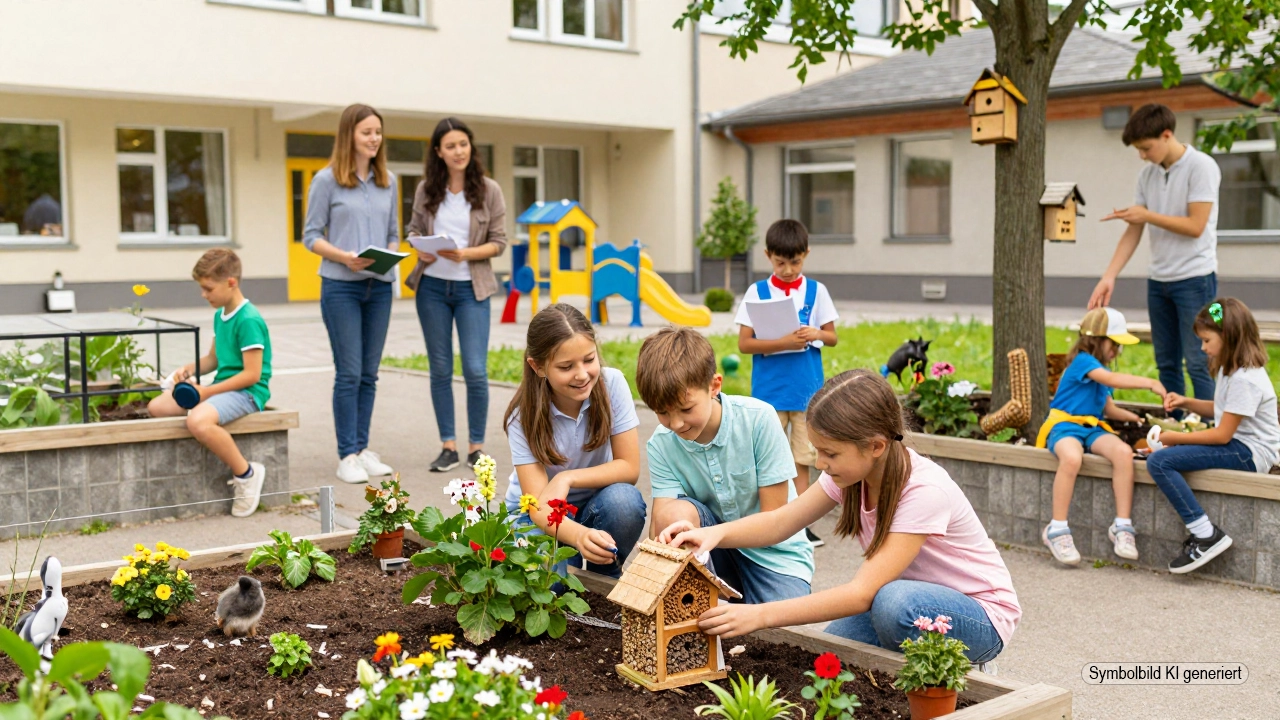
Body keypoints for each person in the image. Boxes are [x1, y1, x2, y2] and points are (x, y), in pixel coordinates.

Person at [659, 369, 1019, 665]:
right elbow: (780, 522)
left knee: (894, 604)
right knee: (822, 665)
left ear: (876, 446)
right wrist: (714, 535)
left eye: (829, 453)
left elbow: (862, 594)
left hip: (979, 616)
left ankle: (958, 666)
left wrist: (759, 615)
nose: (819, 464)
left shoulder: (924, 491)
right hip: (900, 599)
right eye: (817, 451)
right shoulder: (849, 475)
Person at [638, 327, 813, 604]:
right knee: (675, 516)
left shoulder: (758, 420)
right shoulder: (661, 443)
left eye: (685, 409)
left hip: (774, 557)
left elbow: (775, 520)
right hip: (711, 552)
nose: (676, 424)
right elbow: (661, 523)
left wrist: (712, 535)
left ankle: (720, 606)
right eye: (662, 412)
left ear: (714, 386)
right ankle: (705, 603)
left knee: (782, 636)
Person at [1090, 103, 1221, 413]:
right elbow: (1134, 230)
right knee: (1166, 364)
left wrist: (1147, 214)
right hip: (1158, 281)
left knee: (1200, 361)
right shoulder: (1147, 176)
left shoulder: (1201, 167)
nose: (1142, 155)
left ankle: (1211, 429)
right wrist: (1109, 276)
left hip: (1196, 280)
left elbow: (1195, 225)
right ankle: (1177, 425)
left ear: (1166, 135)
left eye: (1146, 148)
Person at [502, 304, 647, 578]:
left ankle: (604, 577)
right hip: (537, 514)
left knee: (625, 503)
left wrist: (566, 479)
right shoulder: (523, 414)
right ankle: (565, 577)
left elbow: (629, 467)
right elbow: (537, 507)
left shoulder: (612, 384)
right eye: (566, 367)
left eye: (589, 360)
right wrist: (578, 535)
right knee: (548, 581)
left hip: (595, 503)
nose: (582, 374)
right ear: (538, 366)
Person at [303, 103, 399, 485]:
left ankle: (362, 449)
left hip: (380, 286)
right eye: (366, 132)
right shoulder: (326, 180)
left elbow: (394, 231)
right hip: (341, 285)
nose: (374, 138)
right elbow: (311, 235)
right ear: (349, 136)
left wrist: (389, 253)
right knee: (349, 373)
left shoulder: (387, 181)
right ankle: (347, 455)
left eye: (378, 132)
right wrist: (345, 257)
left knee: (369, 374)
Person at [405, 117, 508, 472]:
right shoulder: (426, 190)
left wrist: (465, 253)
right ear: (439, 152)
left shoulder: (489, 190)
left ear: (470, 147)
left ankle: (476, 447)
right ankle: (448, 446)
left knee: (476, 370)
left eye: (463, 144)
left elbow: (499, 243)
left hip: (471, 289)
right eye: (450, 146)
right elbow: (414, 229)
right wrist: (419, 246)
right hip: (431, 287)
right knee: (440, 368)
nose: (458, 151)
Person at [1148, 298, 1279, 574]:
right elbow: (1223, 411)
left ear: (1228, 337)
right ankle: (1205, 534)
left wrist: (1175, 437)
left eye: (1207, 340)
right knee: (1162, 458)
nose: (1203, 347)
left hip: (1251, 453)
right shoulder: (1230, 368)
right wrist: (1186, 402)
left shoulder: (1246, 378)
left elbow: (1221, 435)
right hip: (1239, 446)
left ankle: (1206, 535)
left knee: (1160, 462)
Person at [1035, 307, 1167, 566]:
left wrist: (1136, 419)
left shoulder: (1099, 369)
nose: (1116, 351)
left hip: (1092, 427)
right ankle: (1057, 528)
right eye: (1114, 344)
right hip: (1064, 425)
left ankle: (1122, 525)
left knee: (1123, 453)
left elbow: (1107, 408)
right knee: (1072, 458)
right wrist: (1149, 383)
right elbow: (1110, 378)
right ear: (1096, 340)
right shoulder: (1084, 361)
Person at [736, 219, 838, 548]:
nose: (789, 269)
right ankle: (767, 520)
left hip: (807, 392)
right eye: (781, 262)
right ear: (768, 256)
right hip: (769, 392)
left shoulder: (817, 291)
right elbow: (745, 344)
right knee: (767, 457)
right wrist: (782, 342)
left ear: (806, 254)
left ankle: (799, 523)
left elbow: (832, 336)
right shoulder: (757, 292)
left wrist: (816, 334)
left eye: (796, 261)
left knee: (803, 459)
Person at [147, 249, 270, 518]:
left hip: (248, 392)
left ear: (231, 282)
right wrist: (188, 369)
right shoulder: (221, 314)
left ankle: (247, 474)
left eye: (208, 288)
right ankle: (206, 416)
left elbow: (252, 375)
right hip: (224, 387)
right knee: (158, 406)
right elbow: (214, 358)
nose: (204, 295)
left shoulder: (248, 319)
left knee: (198, 422)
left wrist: (206, 392)